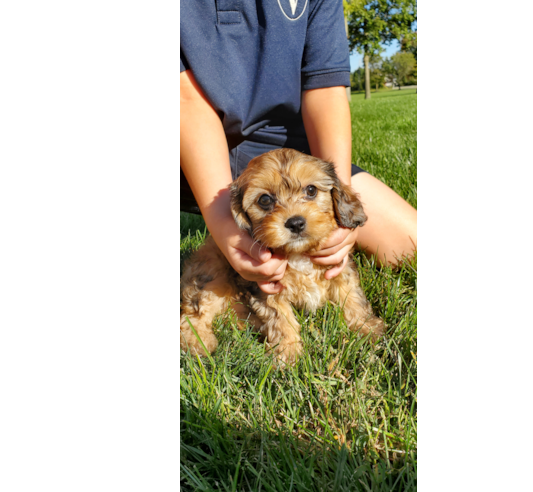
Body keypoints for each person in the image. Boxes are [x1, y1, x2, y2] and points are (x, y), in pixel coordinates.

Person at [180, 0, 420, 296]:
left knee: (420, 247)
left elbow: (325, 88)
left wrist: (338, 201)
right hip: (189, 139)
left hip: (282, 147)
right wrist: (221, 222)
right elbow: (185, 100)